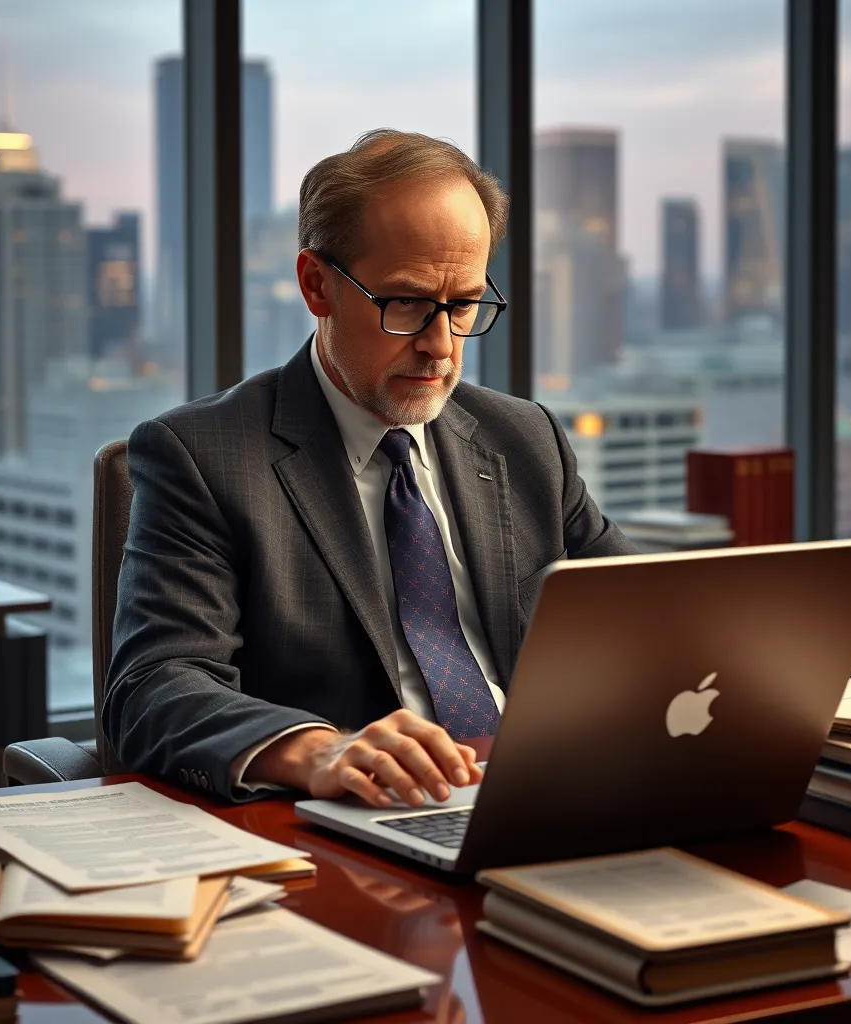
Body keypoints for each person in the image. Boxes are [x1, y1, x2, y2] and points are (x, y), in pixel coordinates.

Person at [102, 128, 634, 808]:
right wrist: (319, 748)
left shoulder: (524, 437)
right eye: (406, 303)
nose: (439, 346)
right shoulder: (202, 457)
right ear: (316, 285)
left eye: (463, 304)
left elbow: (643, 615)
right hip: (359, 821)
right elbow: (153, 686)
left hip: (550, 791)